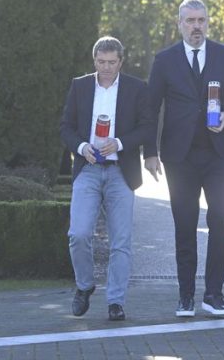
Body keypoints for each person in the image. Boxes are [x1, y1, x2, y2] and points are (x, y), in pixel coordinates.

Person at [145, 0, 224, 318]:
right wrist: (150, 152)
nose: (196, 26)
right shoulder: (164, 60)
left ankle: (214, 294)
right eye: (190, 21)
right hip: (180, 158)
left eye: (201, 20)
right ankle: (186, 296)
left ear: (208, 23)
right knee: (185, 225)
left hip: (217, 155)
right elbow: (150, 108)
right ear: (179, 24)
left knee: (219, 220)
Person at [60, 36, 153, 321]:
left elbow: (148, 126)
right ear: (94, 61)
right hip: (87, 170)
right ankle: (85, 286)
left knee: (121, 241)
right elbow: (66, 126)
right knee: (78, 234)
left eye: (112, 62)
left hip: (120, 171)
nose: (107, 68)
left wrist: (121, 142)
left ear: (121, 62)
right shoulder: (80, 85)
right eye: (101, 62)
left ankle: (115, 301)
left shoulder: (137, 88)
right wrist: (81, 147)